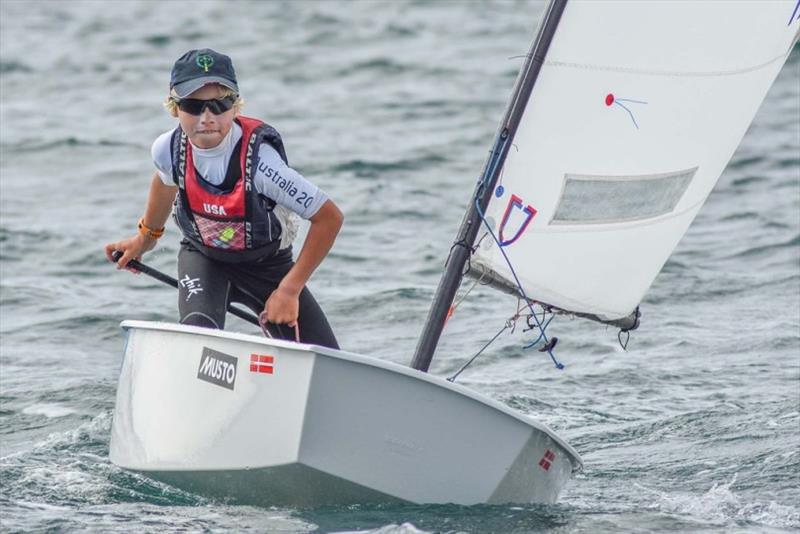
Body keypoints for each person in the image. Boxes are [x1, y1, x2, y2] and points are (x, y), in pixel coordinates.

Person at [105, 48, 342, 349]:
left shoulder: (263, 165)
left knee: (323, 355)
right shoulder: (167, 149)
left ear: (235, 106)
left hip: (268, 267)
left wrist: (290, 290)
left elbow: (329, 217)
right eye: (194, 105)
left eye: (220, 104)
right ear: (175, 107)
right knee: (198, 336)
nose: (207, 118)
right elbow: (165, 182)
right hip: (204, 258)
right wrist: (144, 239)